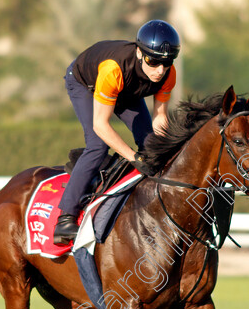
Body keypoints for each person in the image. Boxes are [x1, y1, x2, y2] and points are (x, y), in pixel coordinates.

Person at [53, 19, 181, 245]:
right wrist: (133, 158)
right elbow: (100, 125)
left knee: (150, 144)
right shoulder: (113, 69)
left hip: (125, 90)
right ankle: (65, 219)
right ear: (140, 54)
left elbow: (160, 117)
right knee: (98, 145)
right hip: (85, 82)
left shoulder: (168, 74)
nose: (160, 70)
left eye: (166, 62)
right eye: (153, 61)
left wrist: (162, 150)